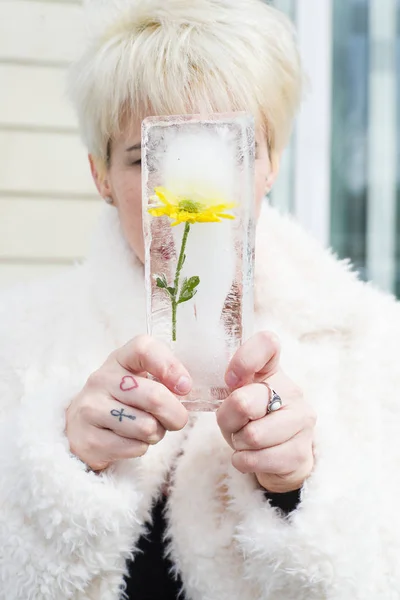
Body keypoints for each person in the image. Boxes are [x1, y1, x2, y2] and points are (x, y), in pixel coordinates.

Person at [0, 0, 399, 599]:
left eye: (224, 154)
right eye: (147, 158)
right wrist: (65, 470)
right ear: (100, 176)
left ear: (270, 164)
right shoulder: (16, 343)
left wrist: (297, 490)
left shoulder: (374, 344)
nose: (185, 191)